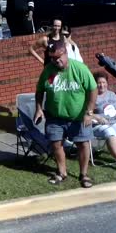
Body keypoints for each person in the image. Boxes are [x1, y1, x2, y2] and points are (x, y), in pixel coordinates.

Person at [33, 42, 97, 188]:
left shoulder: (80, 68)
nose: (56, 60)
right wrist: (38, 108)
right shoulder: (48, 70)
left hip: (79, 117)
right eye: (53, 58)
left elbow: (92, 89)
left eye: (59, 57)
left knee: (83, 143)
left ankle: (84, 174)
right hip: (55, 116)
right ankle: (62, 173)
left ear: (66, 53)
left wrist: (89, 112)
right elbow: (40, 90)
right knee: (56, 144)